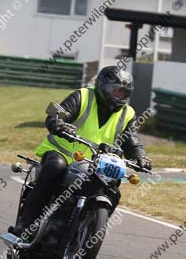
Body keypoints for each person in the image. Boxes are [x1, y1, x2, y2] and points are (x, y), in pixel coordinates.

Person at [11, 66, 152, 238]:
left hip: (95, 164)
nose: (118, 96)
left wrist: (141, 157)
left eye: (122, 93)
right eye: (114, 91)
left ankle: (88, 236)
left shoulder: (127, 113)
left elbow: (132, 141)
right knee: (56, 167)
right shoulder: (83, 96)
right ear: (102, 86)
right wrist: (59, 124)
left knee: (113, 189)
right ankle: (26, 223)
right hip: (62, 153)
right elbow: (60, 114)